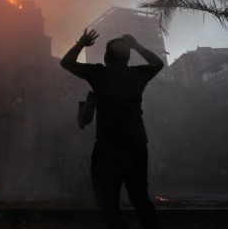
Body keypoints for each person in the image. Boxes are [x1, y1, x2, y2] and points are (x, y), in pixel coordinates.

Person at [60, 29, 164, 229]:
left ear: (106, 57)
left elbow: (66, 63)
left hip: (108, 147)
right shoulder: (137, 75)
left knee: (108, 201)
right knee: (140, 199)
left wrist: (81, 43)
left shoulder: (99, 74)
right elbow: (158, 63)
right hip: (136, 145)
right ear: (127, 58)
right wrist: (136, 45)